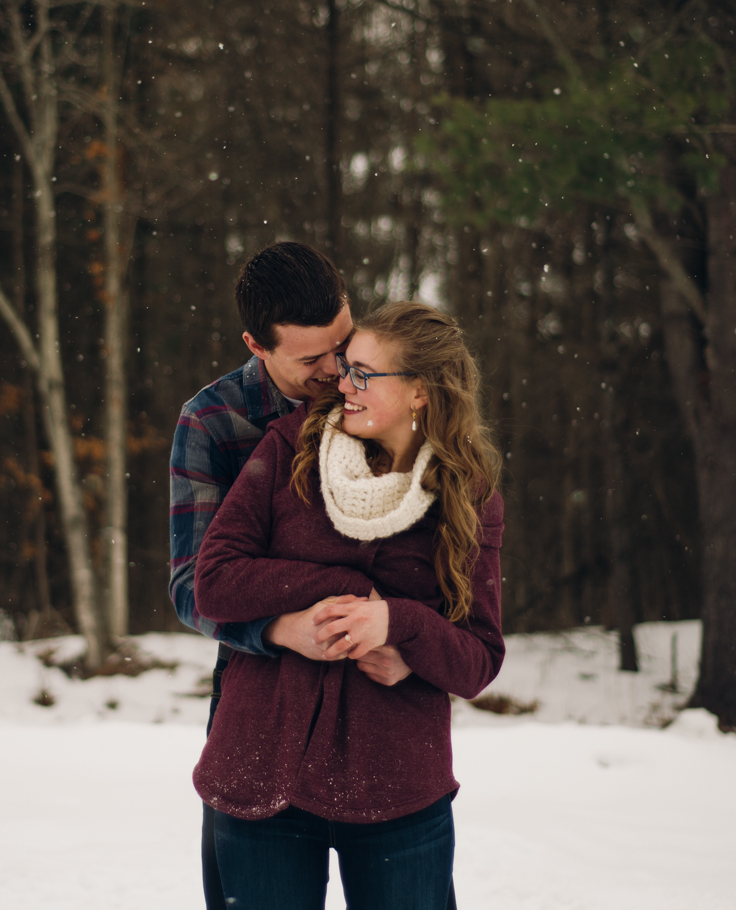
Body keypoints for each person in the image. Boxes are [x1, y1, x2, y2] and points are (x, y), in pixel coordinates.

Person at [191, 301, 505, 910]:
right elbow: (215, 580)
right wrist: (341, 590)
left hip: (398, 788)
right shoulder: (289, 448)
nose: (342, 384)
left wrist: (401, 623)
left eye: (363, 373)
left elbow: (478, 660)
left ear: (419, 392)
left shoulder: (468, 494)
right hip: (263, 768)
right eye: (344, 368)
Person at [173, 242, 420, 908]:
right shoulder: (213, 422)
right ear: (257, 344)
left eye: (344, 344)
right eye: (313, 359)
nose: (338, 370)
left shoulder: (388, 394)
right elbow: (191, 588)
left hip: (379, 699)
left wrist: (410, 639)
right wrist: (281, 630)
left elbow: (440, 549)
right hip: (258, 700)